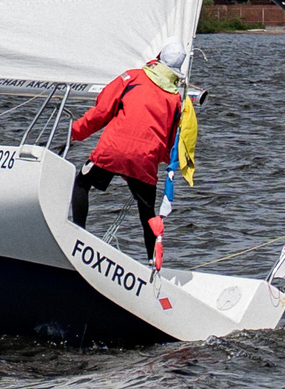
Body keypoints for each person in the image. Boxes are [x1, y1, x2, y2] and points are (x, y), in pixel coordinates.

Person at [67, 43, 197, 261]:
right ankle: (152, 263)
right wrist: (160, 160)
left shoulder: (131, 78)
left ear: (157, 57)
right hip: (145, 160)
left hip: (113, 151)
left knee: (82, 183)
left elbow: (100, 113)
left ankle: (78, 236)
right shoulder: (176, 98)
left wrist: (72, 133)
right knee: (147, 213)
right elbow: (171, 139)